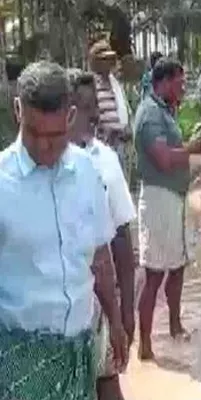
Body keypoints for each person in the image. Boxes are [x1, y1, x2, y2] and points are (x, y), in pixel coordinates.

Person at [0, 61, 126, 399]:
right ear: (18, 111)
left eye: (54, 136)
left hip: (80, 354)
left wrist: (114, 321)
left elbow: (101, 257)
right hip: (18, 365)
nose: (43, 147)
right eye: (33, 133)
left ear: (70, 117)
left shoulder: (87, 172)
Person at [67, 69, 138, 400]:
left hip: (98, 310)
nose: (94, 114)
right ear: (64, 110)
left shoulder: (105, 160)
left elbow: (121, 240)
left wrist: (125, 311)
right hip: (52, 325)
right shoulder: (28, 170)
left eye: (95, 103)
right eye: (84, 105)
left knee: (108, 386)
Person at [134, 58, 201, 360]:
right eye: (179, 83)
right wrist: (191, 149)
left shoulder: (164, 110)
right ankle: (145, 345)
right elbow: (164, 160)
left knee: (177, 266)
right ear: (163, 82)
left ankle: (175, 327)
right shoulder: (151, 113)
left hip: (174, 198)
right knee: (154, 273)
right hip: (158, 200)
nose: (182, 88)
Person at [89, 40, 134, 185]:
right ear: (95, 62)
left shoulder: (115, 84)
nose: (107, 63)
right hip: (102, 146)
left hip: (120, 145)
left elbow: (125, 111)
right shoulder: (92, 86)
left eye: (109, 60)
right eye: (103, 60)